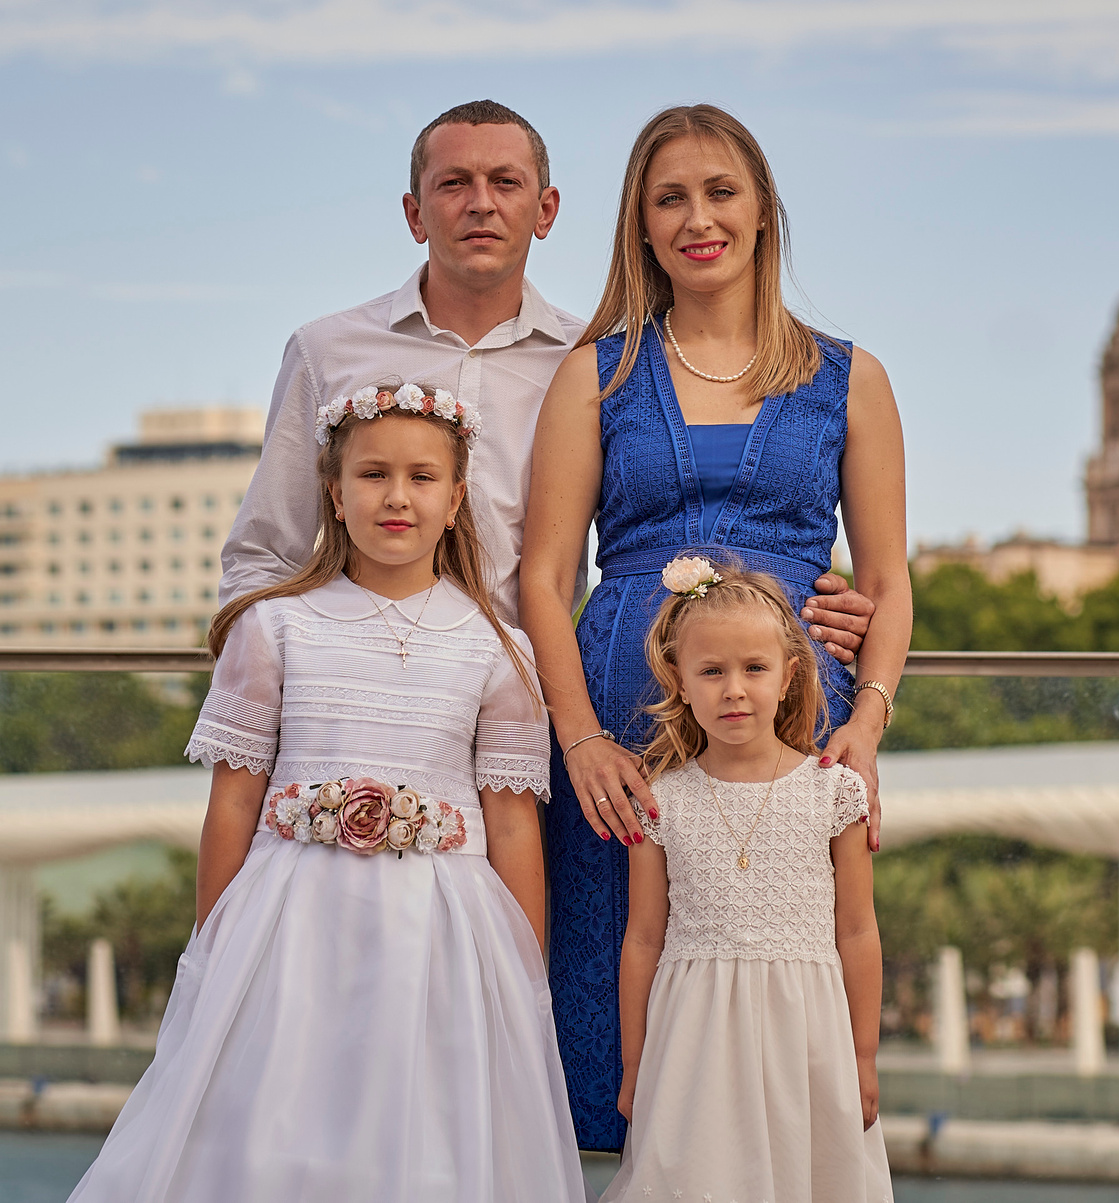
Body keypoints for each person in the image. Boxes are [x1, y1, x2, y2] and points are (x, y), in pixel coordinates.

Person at [66, 380, 581, 1203]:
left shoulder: (498, 648)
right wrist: (214, 942)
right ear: (335, 494)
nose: (397, 496)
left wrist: (523, 972)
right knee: (277, 1126)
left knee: (423, 1135)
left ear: (456, 499)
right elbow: (234, 802)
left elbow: (514, 824)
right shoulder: (275, 626)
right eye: (373, 475)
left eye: (421, 477)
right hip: (292, 922)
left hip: (440, 933)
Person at [520, 102, 913, 1150]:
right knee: (613, 948)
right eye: (670, 199)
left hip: (792, 720)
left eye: (720, 191)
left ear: (763, 209)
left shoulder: (850, 379)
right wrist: (579, 739)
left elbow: (888, 579)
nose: (698, 218)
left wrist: (867, 723)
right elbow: (543, 576)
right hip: (616, 729)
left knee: (786, 947)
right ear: (641, 225)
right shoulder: (596, 373)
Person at [222, 98, 877, 645]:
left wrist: (809, 594)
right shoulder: (327, 350)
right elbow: (263, 554)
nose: (481, 204)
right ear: (415, 214)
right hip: (359, 686)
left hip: (525, 701)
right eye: (453, 183)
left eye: (506, 182)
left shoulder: (597, 364)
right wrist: (276, 684)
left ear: (546, 210)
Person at [603, 556, 892, 1203]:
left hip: (806, 1040)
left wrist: (863, 1056)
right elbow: (643, 938)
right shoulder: (660, 800)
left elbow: (856, 930)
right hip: (693, 1042)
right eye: (712, 671)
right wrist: (634, 1063)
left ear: (788, 676)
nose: (733, 689)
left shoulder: (834, 792)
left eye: (754, 668)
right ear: (680, 681)